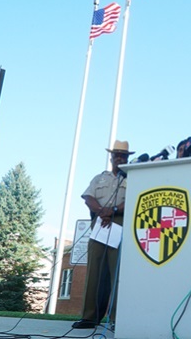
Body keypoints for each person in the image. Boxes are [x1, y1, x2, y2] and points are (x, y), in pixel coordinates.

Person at [72, 140, 133, 330]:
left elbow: (134, 198)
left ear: (127, 158)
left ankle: (115, 318)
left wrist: (112, 210)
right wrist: (101, 211)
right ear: (111, 157)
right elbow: (88, 197)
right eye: (117, 155)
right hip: (100, 223)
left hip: (120, 223)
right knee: (94, 271)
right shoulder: (99, 178)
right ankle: (90, 317)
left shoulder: (132, 177)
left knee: (117, 272)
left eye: (123, 156)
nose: (120, 158)